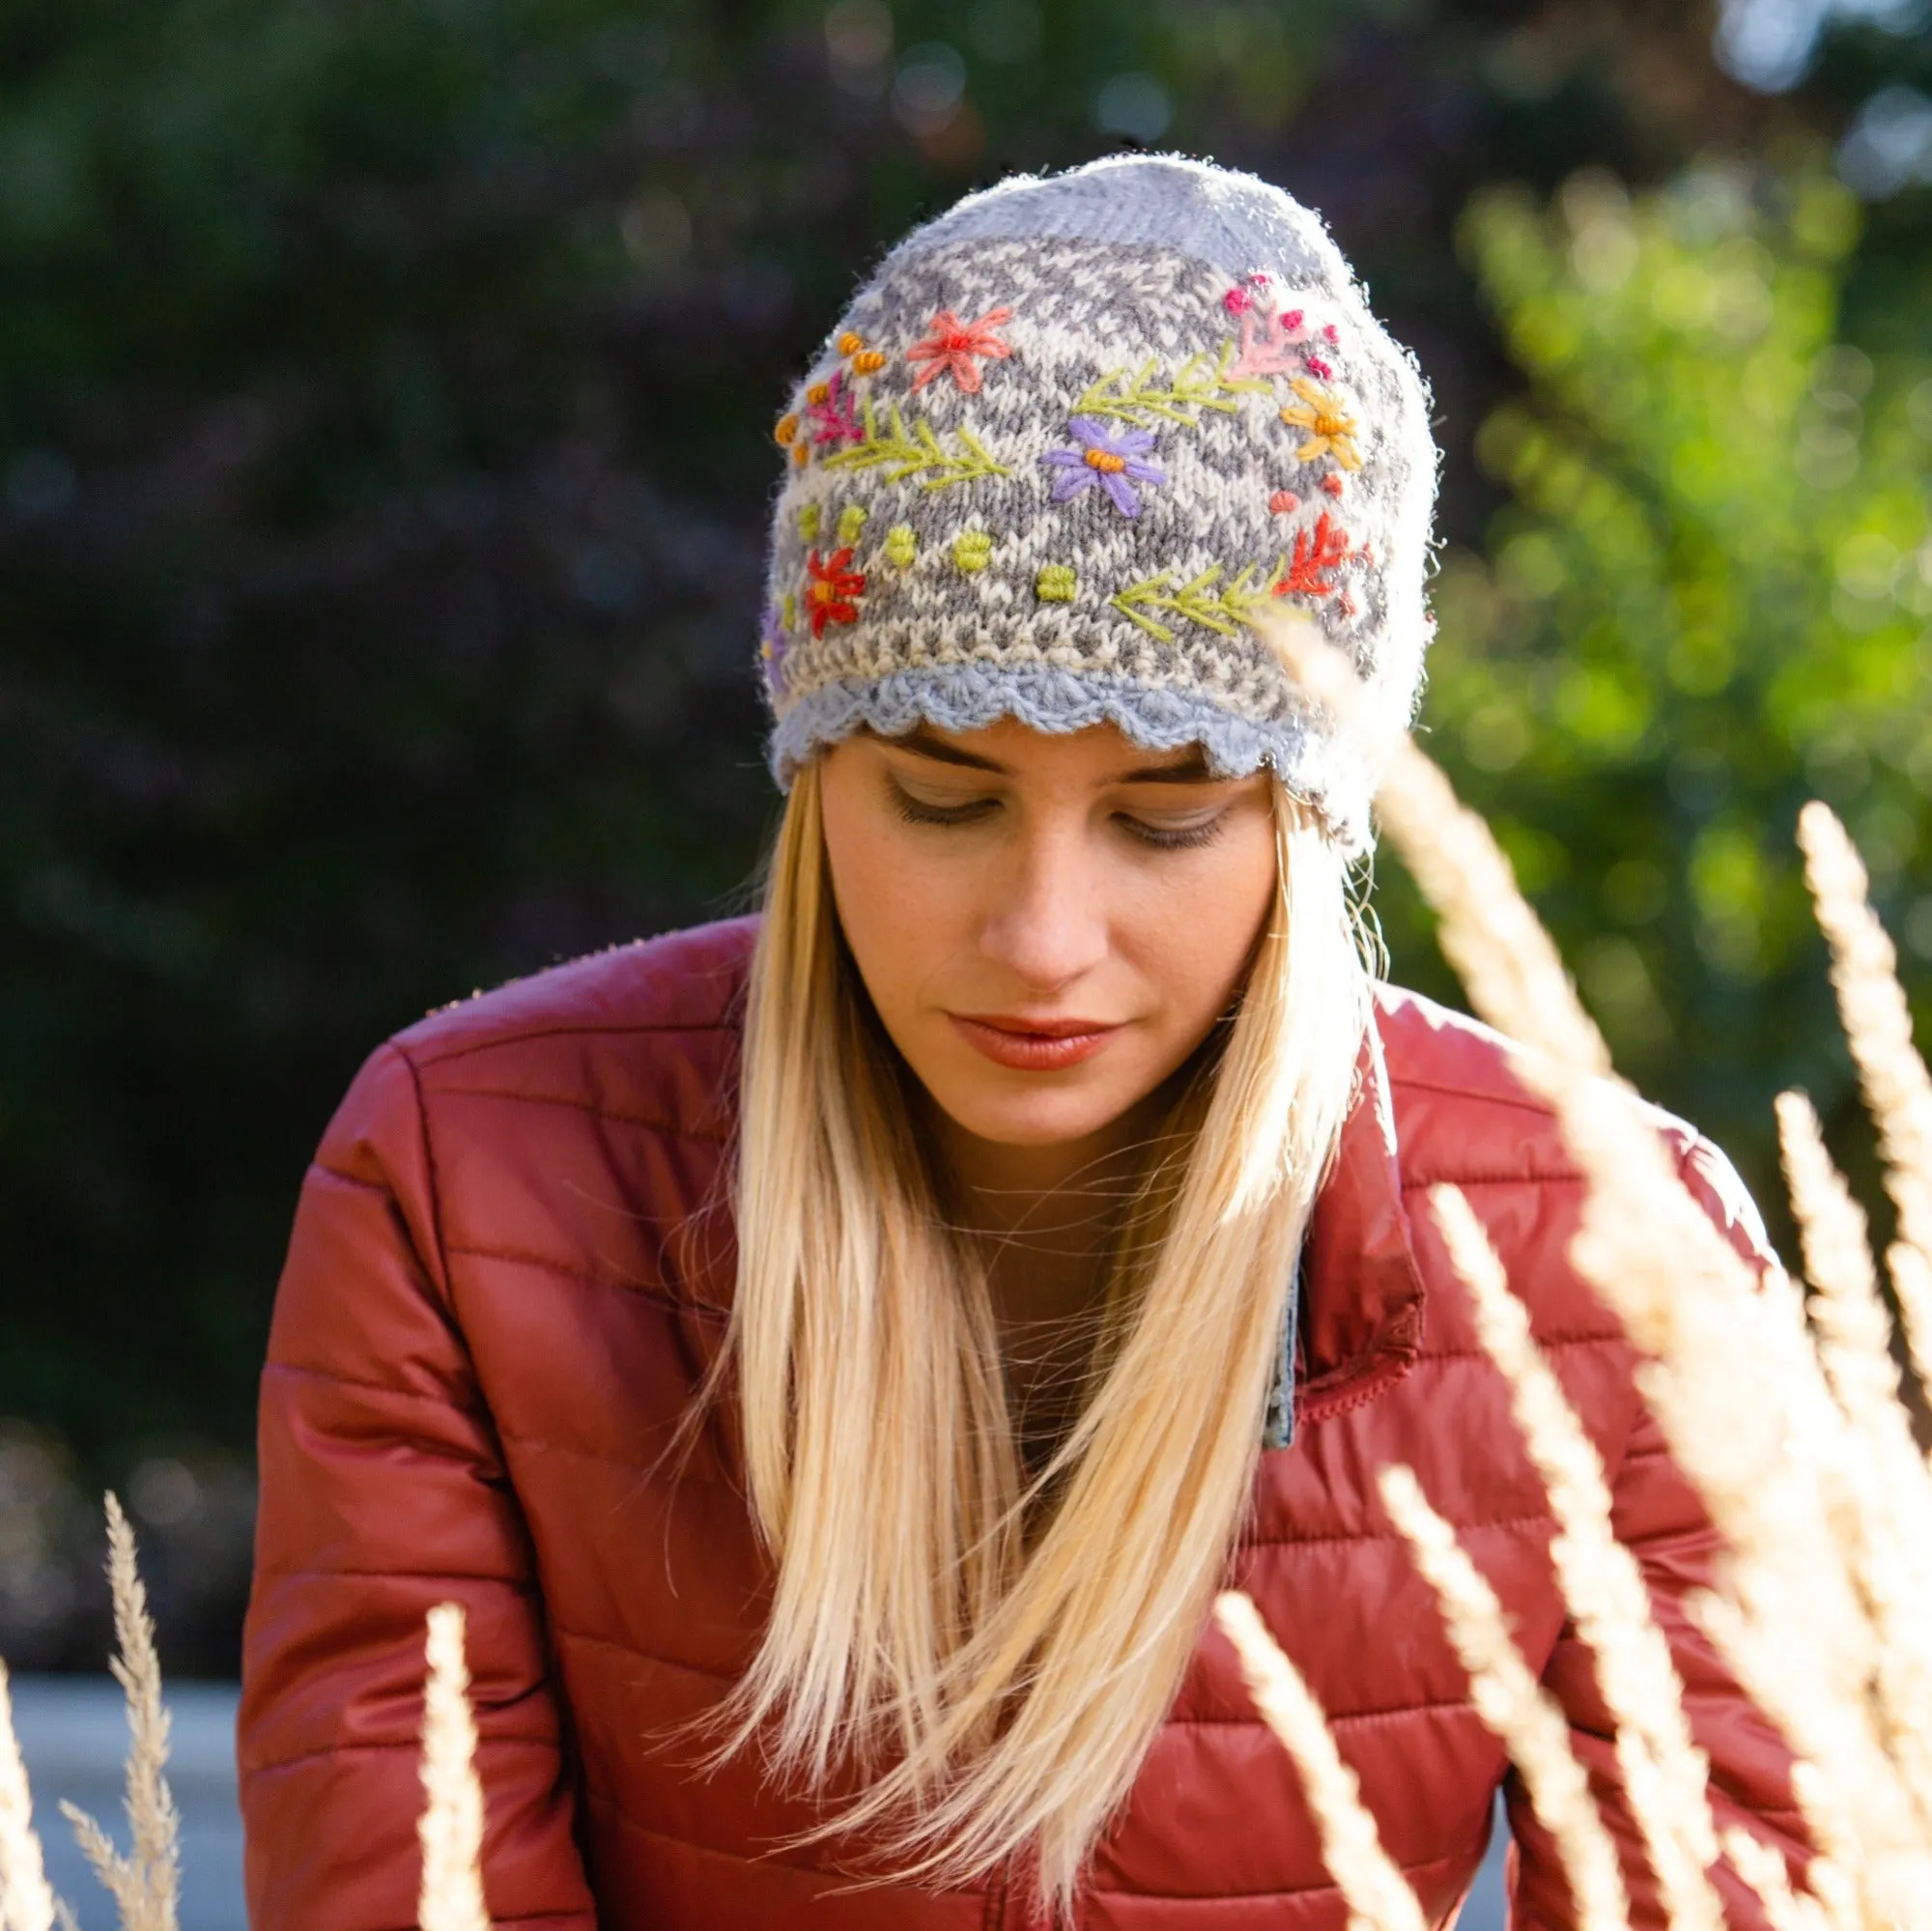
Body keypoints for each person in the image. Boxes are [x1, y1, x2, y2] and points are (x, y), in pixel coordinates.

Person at [237, 155, 1804, 1929]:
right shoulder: (464, 1180)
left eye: (1165, 817)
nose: (1045, 941)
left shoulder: (1613, 1255)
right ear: (817, 774)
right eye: (942, 795)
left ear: (1311, 821)